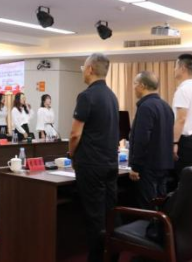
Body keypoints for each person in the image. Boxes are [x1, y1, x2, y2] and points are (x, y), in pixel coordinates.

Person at [68, 53, 119, 262]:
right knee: (109, 213)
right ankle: (112, 256)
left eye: (83, 67)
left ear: (90, 69)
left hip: (91, 164)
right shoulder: (112, 96)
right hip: (110, 163)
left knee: (94, 217)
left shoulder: (86, 96)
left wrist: (71, 154)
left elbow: (75, 134)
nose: (82, 71)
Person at [128, 71, 175, 210]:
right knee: (161, 203)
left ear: (142, 85)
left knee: (147, 206)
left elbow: (141, 139)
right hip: (164, 164)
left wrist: (135, 166)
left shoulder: (145, 107)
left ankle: (149, 225)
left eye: (135, 84)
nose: (134, 87)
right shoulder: (166, 107)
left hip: (147, 167)